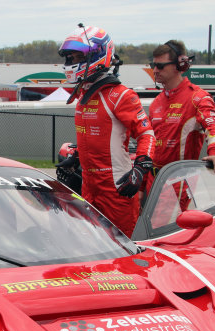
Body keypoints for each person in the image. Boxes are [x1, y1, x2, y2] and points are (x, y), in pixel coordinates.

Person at [58, 25, 155, 237]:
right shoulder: (83, 96)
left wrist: (140, 168)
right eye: (69, 57)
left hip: (117, 189)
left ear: (98, 55)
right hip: (88, 187)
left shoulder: (121, 95)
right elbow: (94, 137)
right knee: (88, 248)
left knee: (121, 252)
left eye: (76, 57)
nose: (71, 63)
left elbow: (147, 134)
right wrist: (77, 158)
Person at [148, 40, 215, 176]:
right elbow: (149, 146)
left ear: (179, 65)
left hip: (181, 182)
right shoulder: (156, 103)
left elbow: (214, 128)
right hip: (153, 182)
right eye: (153, 65)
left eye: (160, 66)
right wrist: (142, 186)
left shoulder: (198, 98)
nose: (155, 70)